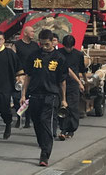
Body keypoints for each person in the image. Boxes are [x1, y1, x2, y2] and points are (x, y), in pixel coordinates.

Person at [20, 29, 68, 167]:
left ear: (53, 41)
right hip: (34, 94)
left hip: (51, 95)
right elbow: (28, 76)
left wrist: (63, 99)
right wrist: (23, 94)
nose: (44, 47)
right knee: (37, 123)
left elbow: (62, 81)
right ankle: (42, 145)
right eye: (41, 44)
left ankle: (45, 154)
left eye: (46, 44)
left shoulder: (59, 58)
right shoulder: (34, 56)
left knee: (45, 121)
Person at [58, 35, 88, 140]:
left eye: (70, 47)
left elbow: (82, 69)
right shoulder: (59, 54)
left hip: (73, 83)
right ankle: (63, 129)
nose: (68, 49)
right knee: (62, 106)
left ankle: (71, 129)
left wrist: (85, 82)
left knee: (73, 107)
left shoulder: (78, 54)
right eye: (66, 47)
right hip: (61, 82)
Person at [13, 26, 39, 128]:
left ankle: (28, 119)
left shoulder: (35, 46)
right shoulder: (17, 45)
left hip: (31, 75)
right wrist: (16, 75)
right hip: (19, 76)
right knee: (16, 98)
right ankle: (19, 117)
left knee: (29, 98)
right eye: (32, 31)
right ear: (25, 33)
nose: (33, 33)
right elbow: (13, 60)